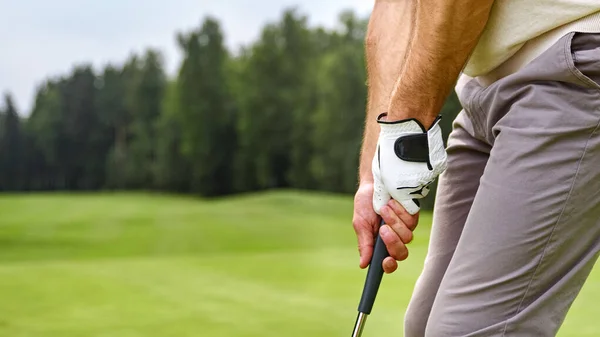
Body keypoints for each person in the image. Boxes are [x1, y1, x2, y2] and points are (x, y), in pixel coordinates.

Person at [353, 0, 600, 335]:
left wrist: (407, 129)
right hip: (483, 92)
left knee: (464, 330)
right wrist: (374, 174)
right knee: (421, 323)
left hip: (576, 66)